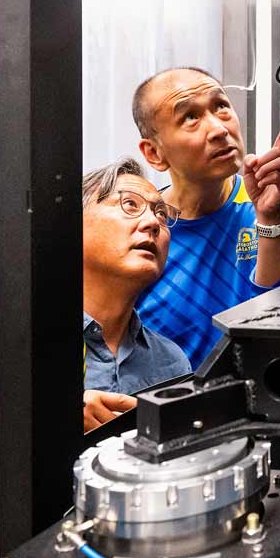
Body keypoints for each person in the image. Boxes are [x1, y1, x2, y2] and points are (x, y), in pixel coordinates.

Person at [132, 67, 280, 368]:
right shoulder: (141, 235)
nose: (219, 129)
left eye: (221, 106)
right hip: (164, 408)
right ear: (154, 153)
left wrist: (270, 218)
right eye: (190, 117)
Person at [81, 158, 191, 432]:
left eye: (161, 214)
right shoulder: (27, 348)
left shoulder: (171, 361)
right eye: (130, 204)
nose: (153, 222)